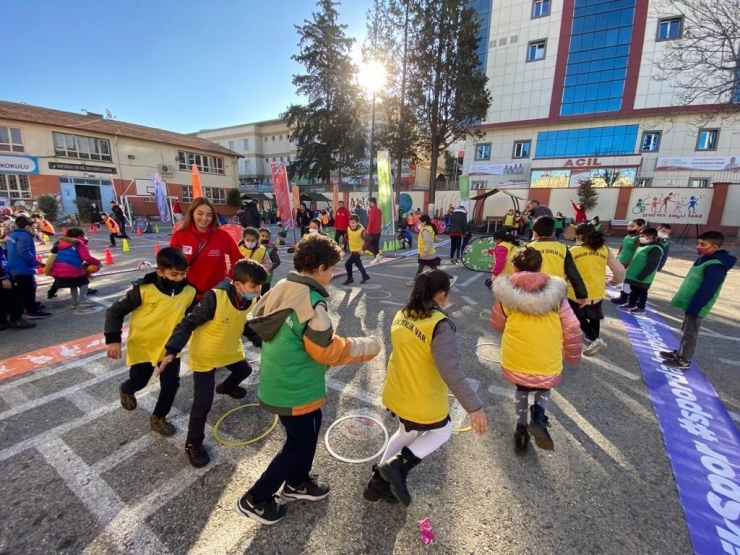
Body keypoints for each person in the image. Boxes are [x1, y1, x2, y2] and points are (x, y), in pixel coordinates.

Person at [236, 234, 382, 525]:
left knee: (308, 433)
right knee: (298, 445)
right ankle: (256, 498)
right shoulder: (312, 301)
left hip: (284, 382)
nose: (332, 275)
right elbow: (325, 350)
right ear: (319, 267)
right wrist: (369, 346)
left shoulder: (283, 286)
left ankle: (297, 483)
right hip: (295, 388)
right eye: (331, 269)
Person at [369, 270, 488, 506]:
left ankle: (377, 483)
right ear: (442, 294)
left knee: (406, 432)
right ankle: (396, 466)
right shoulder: (440, 325)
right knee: (441, 432)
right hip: (421, 396)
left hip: (397, 389)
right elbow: (450, 370)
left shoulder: (402, 313)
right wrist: (474, 407)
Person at [158, 259, 267, 468]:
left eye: (260, 285)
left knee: (244, 369)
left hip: (229, 348)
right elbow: (188, 323)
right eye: (254, 286)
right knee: (203, 402)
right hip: (206, 354)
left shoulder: (250, 299)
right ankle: (193, 443)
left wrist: (262, 342)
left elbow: (245, 325)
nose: (258, 290)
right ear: (237, 284)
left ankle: (226, 387)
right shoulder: (214, 297)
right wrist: (172, 350)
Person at [491, 247, 582, 451]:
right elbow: (572, 326)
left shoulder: (506, 295)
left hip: (517, 353)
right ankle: (539, 416)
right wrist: (572, 355)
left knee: (521, 389)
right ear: (541, 267)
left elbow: (497, 324)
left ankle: (520, 431)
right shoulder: (557, 296)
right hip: (547, 352)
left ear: (514, 267)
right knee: (544, 387)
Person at [105, 248, 197, 437]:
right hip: (143, 345)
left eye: (183, 274)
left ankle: (158, 417)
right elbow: (115, 311)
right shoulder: (143, 290)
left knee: (171, 385)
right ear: (160, 272)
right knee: (139, 380)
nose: (179, 278)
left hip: (170, 349)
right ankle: (127, 388)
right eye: (174, 274)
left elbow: (193, 317)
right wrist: (113, 340)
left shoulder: (190, 292)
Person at [660, 231, 737, 369]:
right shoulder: (705, 259)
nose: (698, 246)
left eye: (703, 244)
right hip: (691, 301)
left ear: (714, 247)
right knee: (686, 329)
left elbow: (708, 289)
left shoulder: (716, 265)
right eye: (698, 243)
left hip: (698, 304)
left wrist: (696, 306)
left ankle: (684, 360)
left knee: (691, 332)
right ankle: (679, 353)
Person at [170, 197, 244, 300]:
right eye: (200, 213)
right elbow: (170, 262)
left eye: (209, 215)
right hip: (187, 293)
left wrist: (229, 278)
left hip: (216, 293)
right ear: (192, 213)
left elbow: (238, 258)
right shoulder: (180, 235)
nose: (204, 218)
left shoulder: (222, 235)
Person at [569, 223, 625, 357]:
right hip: (597, 290)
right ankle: (594, 337)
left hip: (576, 292)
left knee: (577, 316)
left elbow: (566, 271)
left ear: (580, 236)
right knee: (594, 316)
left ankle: (595, 339)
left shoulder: (573, 251)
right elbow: (620, 270)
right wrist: (614, 281)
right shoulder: (603, 249)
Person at [528, 216, 588, 305]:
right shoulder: (562, 248)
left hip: (535, 290)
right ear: (553, 233)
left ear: (535, 233)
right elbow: (573, 273)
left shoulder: (529, 248)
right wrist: (581, 294)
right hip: (557, 291)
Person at [6, 215, 50, 319]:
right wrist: (36, 263)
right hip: (23, 267)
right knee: (28, 289)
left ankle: (29, 306)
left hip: (14, 266)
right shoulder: (24, 236)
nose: (34, 227)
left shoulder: (13, 235)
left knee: (23, 289)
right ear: (27, 226)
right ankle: (32, 311)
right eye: (33, 225)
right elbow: (24, 251)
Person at [49, 228, 101, 308]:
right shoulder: (79, 243)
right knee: (84, 282)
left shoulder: (61, 243)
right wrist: (97, 262)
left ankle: (75, 303)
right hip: (72, 267)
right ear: (80, 236)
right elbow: (86, 257)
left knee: (73, 285)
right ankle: (83, 301)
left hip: (58, 268)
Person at [619, 227, 662, 315]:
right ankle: (631, 303)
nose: (640, 238)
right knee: (633, 290)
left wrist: (643, 275)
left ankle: (640, 307)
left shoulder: (655, 249)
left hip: (643, 277)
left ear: (649, 237)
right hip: (634, 274)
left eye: (642, 236)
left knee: (642, 292)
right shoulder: (643, 246)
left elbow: (652, 264)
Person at [0, 245, 35, 330]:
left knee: (3, 299)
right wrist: (3, 277)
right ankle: (16, 319)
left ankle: (2, 322)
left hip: (4, 272)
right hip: (3, 275)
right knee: (13, 297)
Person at [611, 219, 645, 305]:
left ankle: (624, 298)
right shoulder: (627, 237)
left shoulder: (638, 238)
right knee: (623, 280)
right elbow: (622, 248)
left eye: (632, 226)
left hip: (628, 262)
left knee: (627, 281)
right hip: (621, 261)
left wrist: (630, 263)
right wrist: (618, 257)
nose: (629, 228)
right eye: (629, 226)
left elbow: (636, 252)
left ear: (640, 227)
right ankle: (622, 296)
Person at [407, 215, 442, 285]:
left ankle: (448, 278)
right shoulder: (429, 228)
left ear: (424, 222)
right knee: (423, 267)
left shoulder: (425, 230)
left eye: (420, 222)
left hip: (426, 253)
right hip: (428, 252)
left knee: (432, 268)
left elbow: (428, 241)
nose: (419, 223)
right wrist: (439, 240)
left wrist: (425, 252)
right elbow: (433, 236)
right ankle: (415, 281)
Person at [343, 215, 371, 285]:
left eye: (353, 223)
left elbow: (368, 240)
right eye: (350, 222)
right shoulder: (348, 228)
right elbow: (346, 236)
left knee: (347, 264)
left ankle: (350, 278)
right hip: (353, 249)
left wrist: (363, 249)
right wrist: (343, 243)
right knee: (357, 263)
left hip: (358, 250)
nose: (351, 224)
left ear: (358, 223)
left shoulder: (361, 230)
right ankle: (365, 276)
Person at [258, 227, 281, 294]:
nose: (264, 238)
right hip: (254, 275)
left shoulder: (271, 249)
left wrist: (269, 268)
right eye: (262, 236)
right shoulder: (254, 247)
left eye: (267, 237)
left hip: (266, 277)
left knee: (264, 293)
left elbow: (277, 262)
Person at [366, 197, 383, 264]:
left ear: (371, 202)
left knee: (368, 245)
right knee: (376, 245)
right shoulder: (379, 210)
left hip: (373, 230)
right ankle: (377, 257)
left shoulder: (372, 210)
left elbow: (371, 221)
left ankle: (377, 256)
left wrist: (367, 230)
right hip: (378, 230)